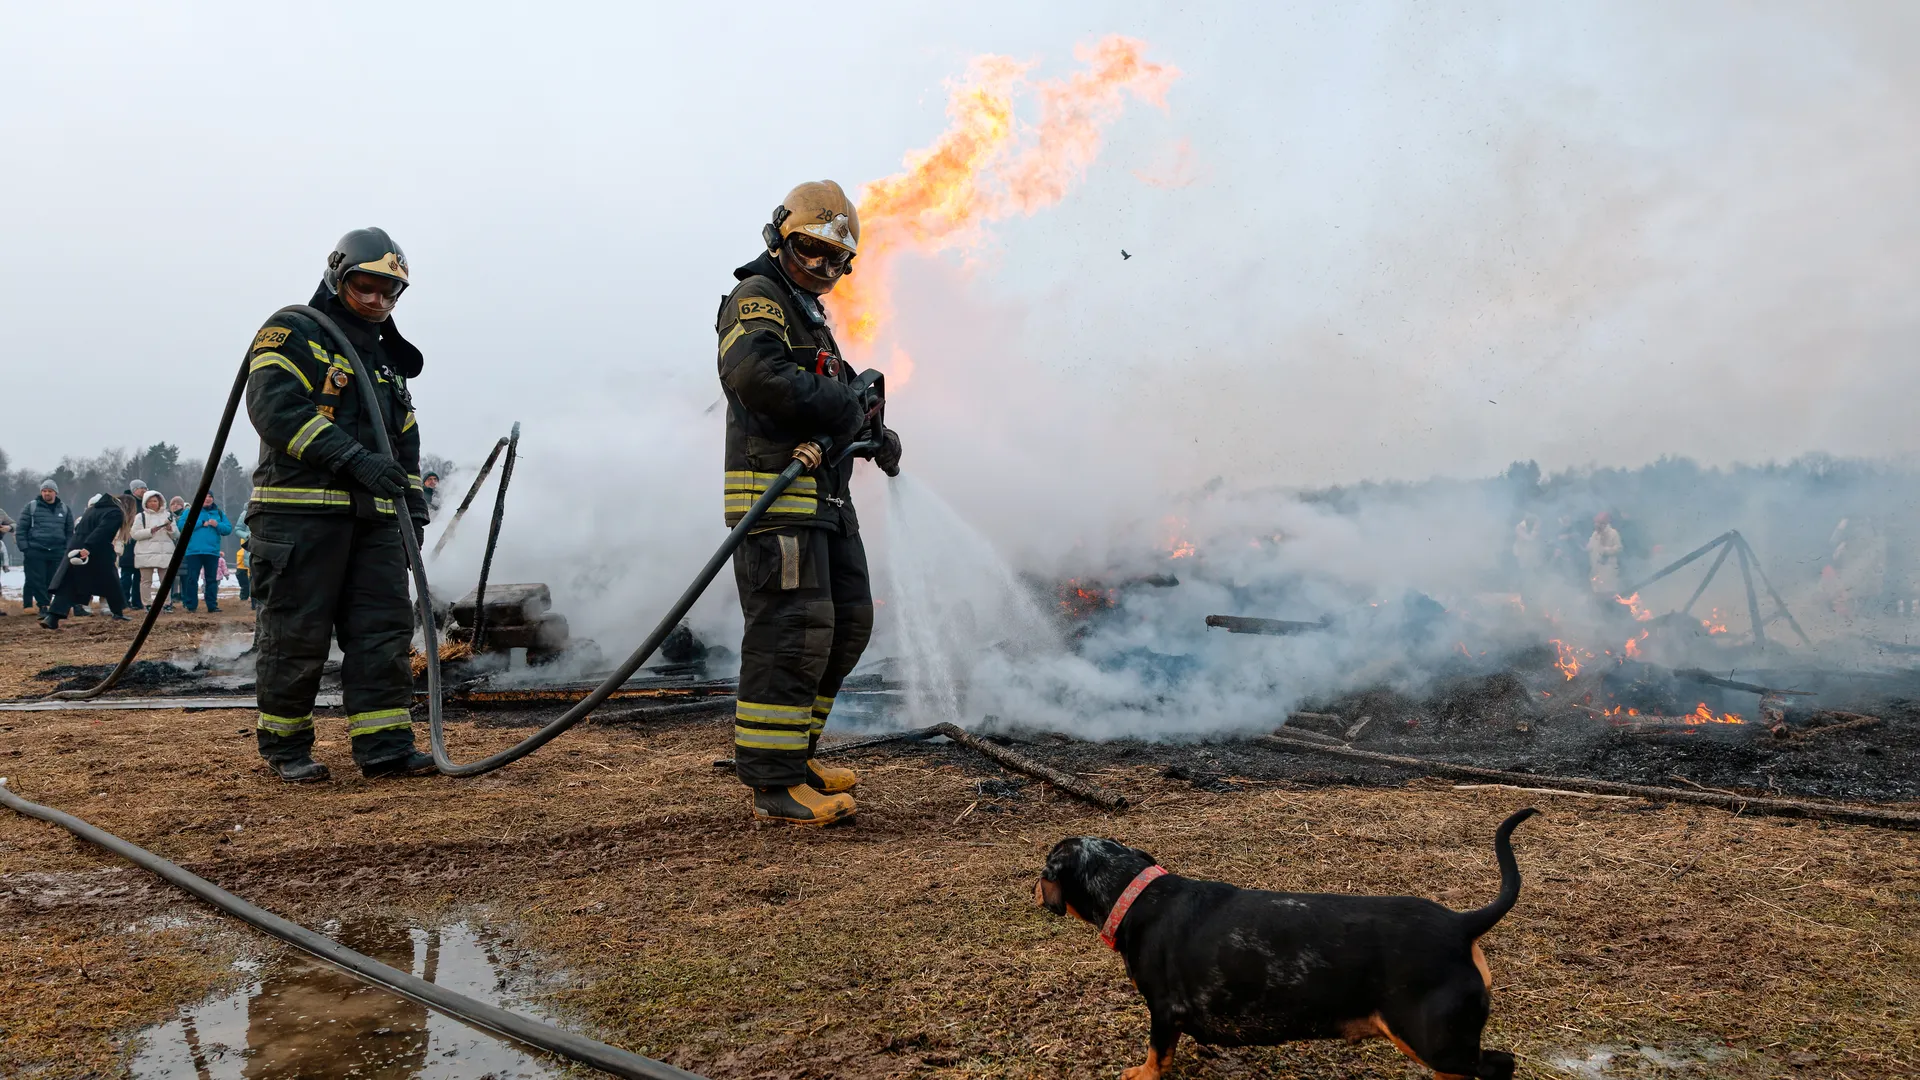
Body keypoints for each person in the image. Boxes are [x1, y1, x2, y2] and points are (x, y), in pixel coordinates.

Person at [716, 180, 903, 826]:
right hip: (778, 503)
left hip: (824, 501)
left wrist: (876, 431)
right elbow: (756, 376)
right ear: (779, 236)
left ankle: (796, 755)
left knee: (848, 622)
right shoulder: (758, 297)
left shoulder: (807, 312)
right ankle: (773, 782)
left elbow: (835, 387)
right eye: (810, 250)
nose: (822, 269)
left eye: (835, 260)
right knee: (790, 635)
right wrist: (842, 403)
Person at [241, 227, 433, 782]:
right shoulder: (293, 332)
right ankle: (286, 747)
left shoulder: (386, 360)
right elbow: (276, 412)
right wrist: (354, 459)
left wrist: (414, 516)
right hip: (299, 521)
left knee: (383, 633)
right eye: (365, 287)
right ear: (337, 275)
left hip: (374, 523)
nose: (377, 301)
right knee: (295, 634)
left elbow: (406, 445)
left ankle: (385, 747)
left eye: (389, 293)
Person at [40, 493, 128, 628]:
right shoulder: (115, 513)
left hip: (77, 547)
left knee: (70, 583)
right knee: (111, 581)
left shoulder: (92, 510)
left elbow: (80, 529)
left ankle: (52, 617)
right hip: (95, 549)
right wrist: (88, 547)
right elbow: (102, 531)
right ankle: (118, 612)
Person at [18, 480, 73, 613]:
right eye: (44, 491)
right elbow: (21, 529)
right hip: (36, 550)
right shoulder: (31, 507)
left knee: (52, 579)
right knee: (37, 579)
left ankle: (46, 604)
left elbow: (69, 531)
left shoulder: (64, 509)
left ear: (55, 492)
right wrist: (25, 548)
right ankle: (43, 605)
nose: (46, 493)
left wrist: (67, 548)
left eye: (49, 491)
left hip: (57, 550)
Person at [178, 493, 232, 613]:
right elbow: (181, 526)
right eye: (205, 497)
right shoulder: (190, 512)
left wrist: (217, 525)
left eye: (210, 497)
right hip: (193, 551)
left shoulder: (218, 513)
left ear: (213, 499)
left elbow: (228, 529)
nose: (207, 499)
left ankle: (212, 606)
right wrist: (201, 523)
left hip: (212, 552)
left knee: (211, 579)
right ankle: (191, 605)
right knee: (192, 579)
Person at [130, 490, 179, 609]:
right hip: (145, 552)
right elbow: (134, 534)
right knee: (146, 581)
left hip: (164, 552)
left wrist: (169, 529)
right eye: (150, 501)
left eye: (155, 501)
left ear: (160, 501)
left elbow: (176, 534)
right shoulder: (140, 517)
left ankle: (167, 603)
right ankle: (147, 604)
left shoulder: (168, 516)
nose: (153, 503)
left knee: (166, 580)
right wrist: (150, 531)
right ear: (145, 503)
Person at [121, 480, 148, 609]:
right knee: (126, 574)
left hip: (142, 541)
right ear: (134, 490)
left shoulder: (146, 503)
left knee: (139, 574)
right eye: (140, 488)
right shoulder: (126, 502)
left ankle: (138, 602)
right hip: (128, 540)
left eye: (145, 488)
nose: (143, 490)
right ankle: (124, 600)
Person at [1587, 512, 1623, 597]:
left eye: (1599, 523)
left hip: (1608, 568)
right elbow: (1590, 547)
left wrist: (1605, 550)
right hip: (1596, 567)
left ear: (1604, 524)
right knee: (1597, 591)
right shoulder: (1595, 534)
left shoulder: (1613, 533)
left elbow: (1619, 548)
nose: (1597, 525)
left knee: (1608, 590)